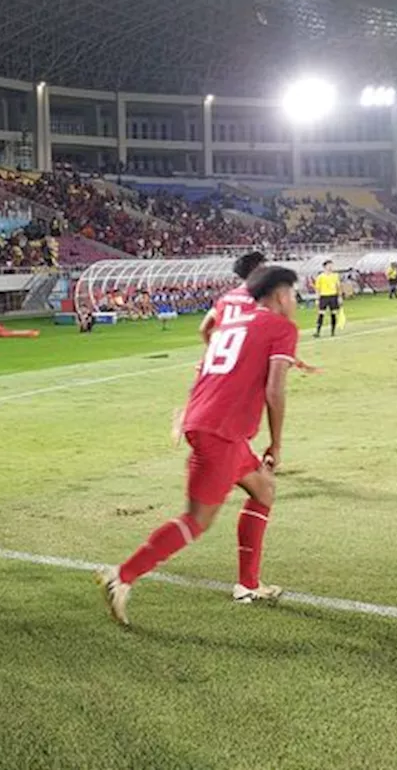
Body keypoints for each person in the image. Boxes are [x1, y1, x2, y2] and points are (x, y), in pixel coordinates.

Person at [96, 267, 301, 626]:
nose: (295, 301)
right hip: (219, 432)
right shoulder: (282, 328)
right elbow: (274, 390)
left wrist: (189, 413)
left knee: (264, 489)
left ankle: (248, 585)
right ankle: (123, 576)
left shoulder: (235, 323)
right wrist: (277, 444)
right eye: (294, 294)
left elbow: (210, 363)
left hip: (217, 427)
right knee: (196, 520)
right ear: (281, 296)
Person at [314, 260, 341, 338]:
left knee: (333, 313)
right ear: (325, 267)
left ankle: (333, 331)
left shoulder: (335, 276)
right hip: (324, 296)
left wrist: (339, 297)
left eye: (332, 265)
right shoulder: (320, 277)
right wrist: (317, 299)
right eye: (329, 265)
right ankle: (318, 331)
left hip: (333, 296)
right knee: (321, 314)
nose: (331, 267)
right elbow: (318, 289)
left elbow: (338, 287)